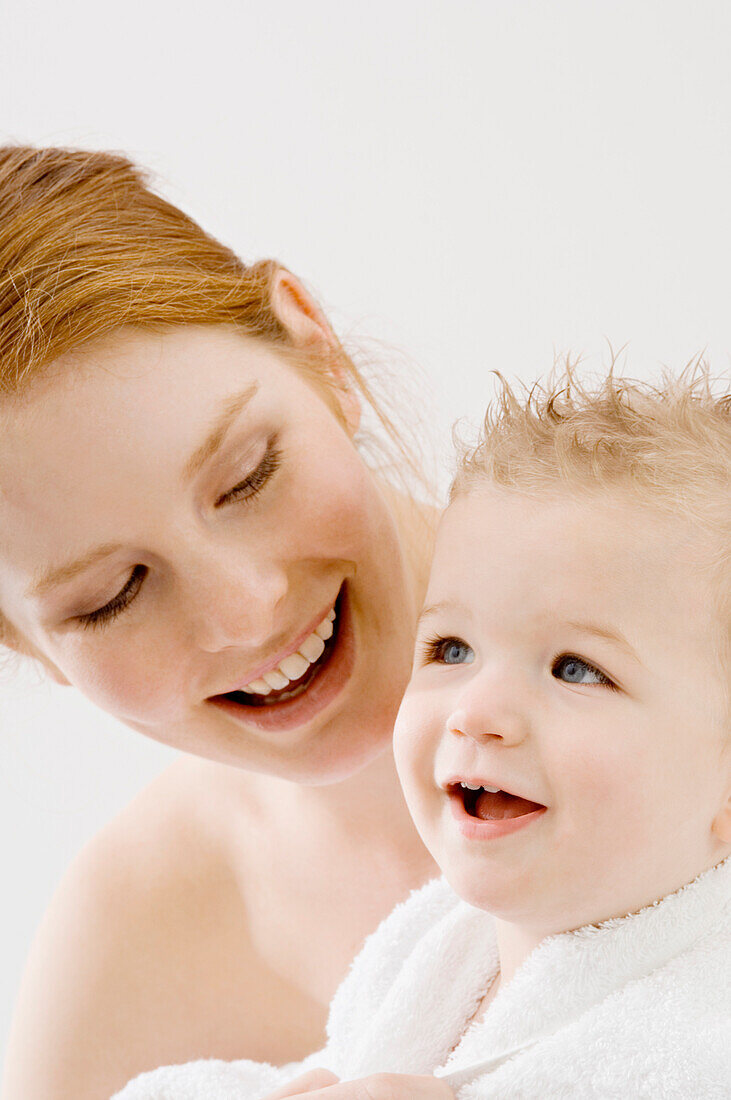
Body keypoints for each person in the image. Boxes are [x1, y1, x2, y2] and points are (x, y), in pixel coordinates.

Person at [114, 366, 731, 1098]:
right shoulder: (441, 945)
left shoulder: (694, 1044)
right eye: (451, 650)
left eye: (575, 669)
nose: (475, 711)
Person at [0, 146, 440, 1100]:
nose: (244, 612)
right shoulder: (110, 977)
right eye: (109, 595)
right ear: (23, 641)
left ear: (318, 348)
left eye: (248, 477)